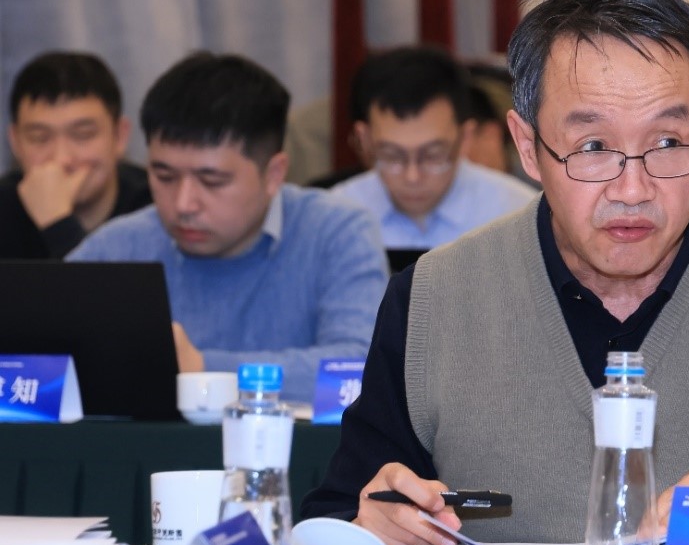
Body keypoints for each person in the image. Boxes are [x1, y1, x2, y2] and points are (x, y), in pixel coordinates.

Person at [302, 0, 689, 545]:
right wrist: (369, 529)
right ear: (527, 147)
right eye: (593, 147)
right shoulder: (433, 300)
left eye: (668, 143)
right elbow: (339, 519)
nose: (633, 189)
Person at [69, 53, 388, 403]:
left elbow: (360, 367)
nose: (184, 204)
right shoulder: (118, 247)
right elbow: (38, 359)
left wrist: (203, 368)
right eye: (164, 176)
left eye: (212, 181)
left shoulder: (337, 232)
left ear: (274, 174)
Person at [329, 47, 536, 249]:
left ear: (465, 138)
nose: (412, 177)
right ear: (364, 140)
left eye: (432, 155)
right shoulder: (335, 218)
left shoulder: (517, 214)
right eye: (392, 156)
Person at [1, 52, 150, 258]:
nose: (62, 159)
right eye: (39, 138)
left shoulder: (158, 208)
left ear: (119, 136)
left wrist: (57, 223)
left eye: (82, 135)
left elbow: (106, 282)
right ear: (15, 142)